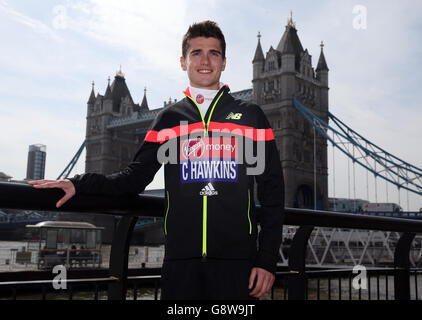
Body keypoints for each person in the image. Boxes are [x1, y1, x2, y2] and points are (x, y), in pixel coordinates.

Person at [29, 20, 284, 300]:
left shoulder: (252, 116)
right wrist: (79, 183)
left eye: (213, 53)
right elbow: (133, 178)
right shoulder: (168, 119)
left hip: (238, 264)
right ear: (182, 61)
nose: (205, 60)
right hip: (179, 264)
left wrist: (266, 259)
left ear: (224, 62)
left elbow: (273, 190)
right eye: (196, 52)